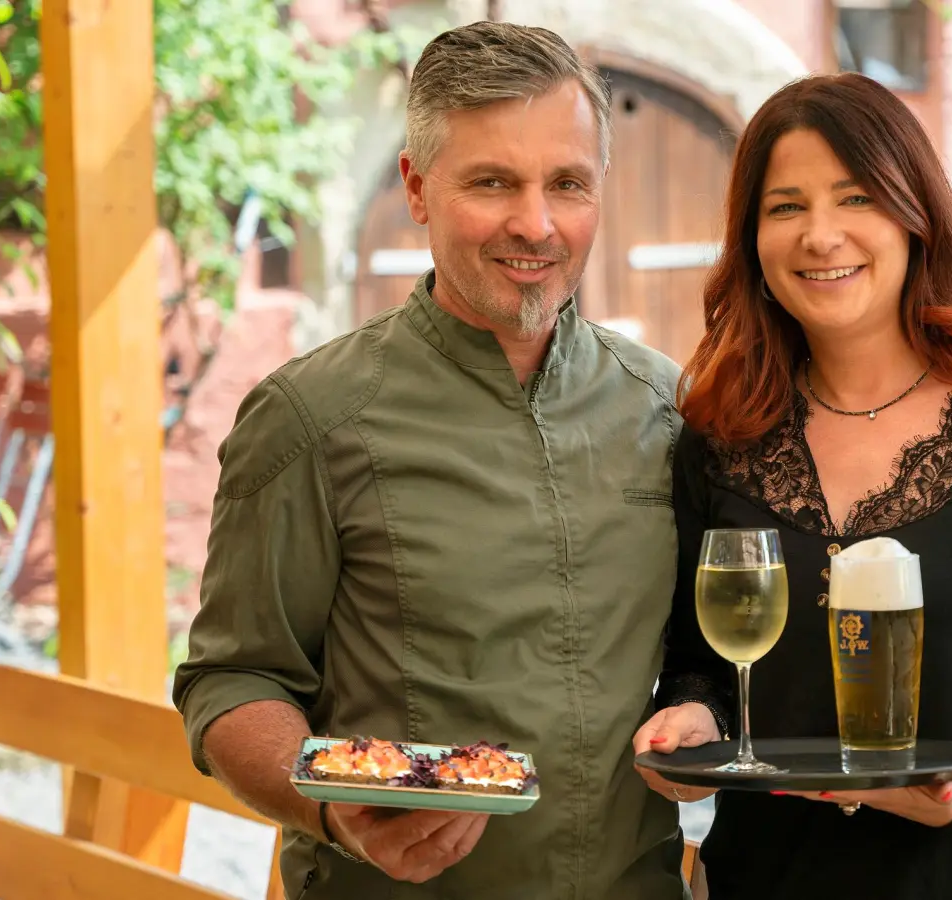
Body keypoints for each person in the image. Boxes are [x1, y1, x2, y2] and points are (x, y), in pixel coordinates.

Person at [172, 21, 701, 900]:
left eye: (567, 184)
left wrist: (702, 717)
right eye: (492, 182)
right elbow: (234, 682)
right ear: (417, 189)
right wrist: (334, 814)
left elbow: (702, 655)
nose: (536, 224)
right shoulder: (309, 418)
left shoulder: (668, 408)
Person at [632, 72, 952, 899]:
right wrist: (695, 723)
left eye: (856, 197)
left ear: (916, 217)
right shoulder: (720, 438)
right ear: (753, 240)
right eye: (786, 206)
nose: (820, 235)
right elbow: (701, 666)